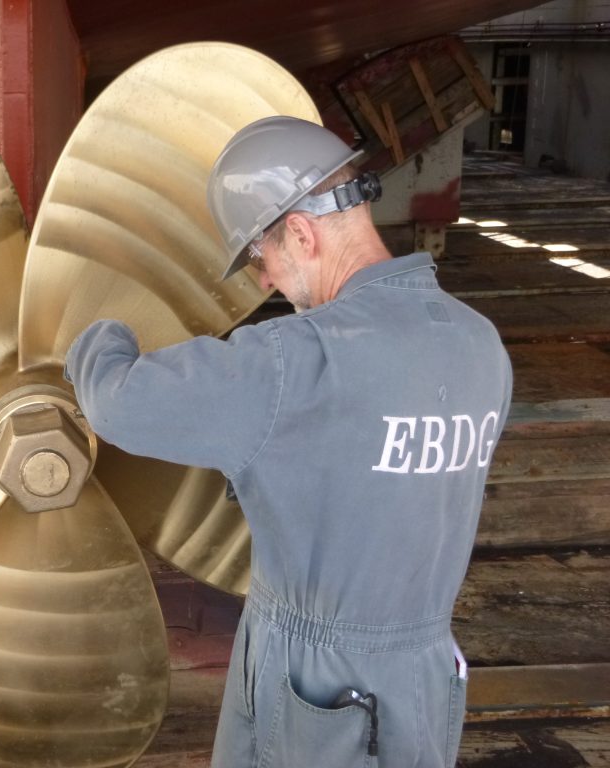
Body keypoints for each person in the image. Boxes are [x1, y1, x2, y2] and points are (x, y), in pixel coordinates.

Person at [64, 116, 513, 766]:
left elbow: (115, 400)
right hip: (423, 676)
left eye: (260, 257)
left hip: (318, 684)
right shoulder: (481, 346)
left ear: (300, 233)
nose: (266, 280)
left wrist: (104, 319)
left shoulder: (292, 363)